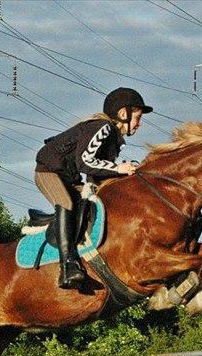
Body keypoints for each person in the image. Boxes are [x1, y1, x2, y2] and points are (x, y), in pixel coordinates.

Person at [34, 87, 153, 289]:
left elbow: (96, 175)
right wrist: (119, 168)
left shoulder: (114, 138)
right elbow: (85, 161)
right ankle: (68, 266)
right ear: (123, 114)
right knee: (67, 203)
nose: (139, 124)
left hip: (68, 177)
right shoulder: (103, 127)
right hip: (48, 172)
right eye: (138, 118)